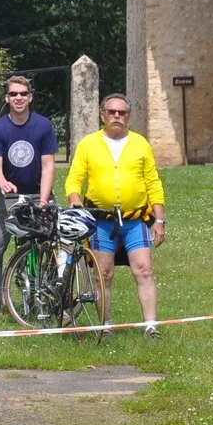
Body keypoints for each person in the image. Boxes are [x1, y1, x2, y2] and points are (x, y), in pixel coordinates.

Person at [65, 93, 166, 339]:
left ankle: (151, 326)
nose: (117, 116)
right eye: (112, 112)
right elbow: (74, 178)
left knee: (144, 270)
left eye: (122, 113)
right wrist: (75, 200)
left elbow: (153, 182)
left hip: (135, 220)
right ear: (103, 115)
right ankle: (105, 325)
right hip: (101, 220)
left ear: (128, 117)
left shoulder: (140, 143)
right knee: (104, 273)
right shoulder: (88, 144)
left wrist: (160, 220)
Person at [0, 75, 58, 319]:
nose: (19, 98)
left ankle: (53, 301)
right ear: (7, 98)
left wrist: (44, 201)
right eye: (13, 94)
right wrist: (2, 183)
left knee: (50, 248)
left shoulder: (43, 125)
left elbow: (48, 166)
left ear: (30, 97)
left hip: (38, 194)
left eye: (23, 93)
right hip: (9, 198)